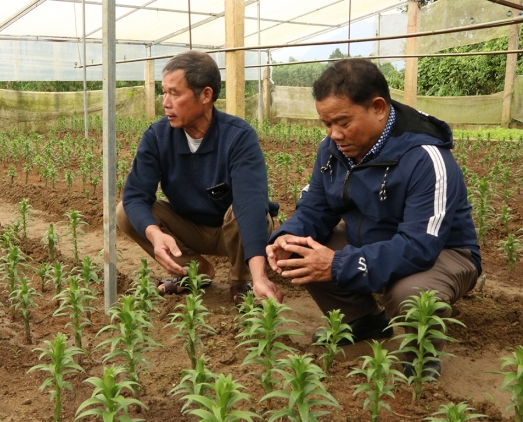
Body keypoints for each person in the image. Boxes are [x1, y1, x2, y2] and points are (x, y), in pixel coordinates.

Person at [266, 58, 481, 379]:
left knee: (411, 293)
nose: (334, 134)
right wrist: (285, 236)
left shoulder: (426, 157)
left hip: (442, 253)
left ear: (378, 107)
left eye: (343, 122)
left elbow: (420, 246)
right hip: (373, 239)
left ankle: (420, 352)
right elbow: (315, 208)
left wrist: (337, 264)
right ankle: (362, 320)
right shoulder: (332, 150)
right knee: (302, 247)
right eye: (326, 124)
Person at [117, 50, 283, 305]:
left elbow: (250, 203)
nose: (165, 102)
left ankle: (244, 281)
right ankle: (195, 271)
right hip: (190, 226)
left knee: (247, 210)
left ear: (205, 95)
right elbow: (135, 194)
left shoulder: (237, 136)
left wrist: (261, 275)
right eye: (164, 92)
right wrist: (154, 234)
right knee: (125, 212)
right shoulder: (158, 136)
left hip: (234, 230)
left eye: (175, 93)